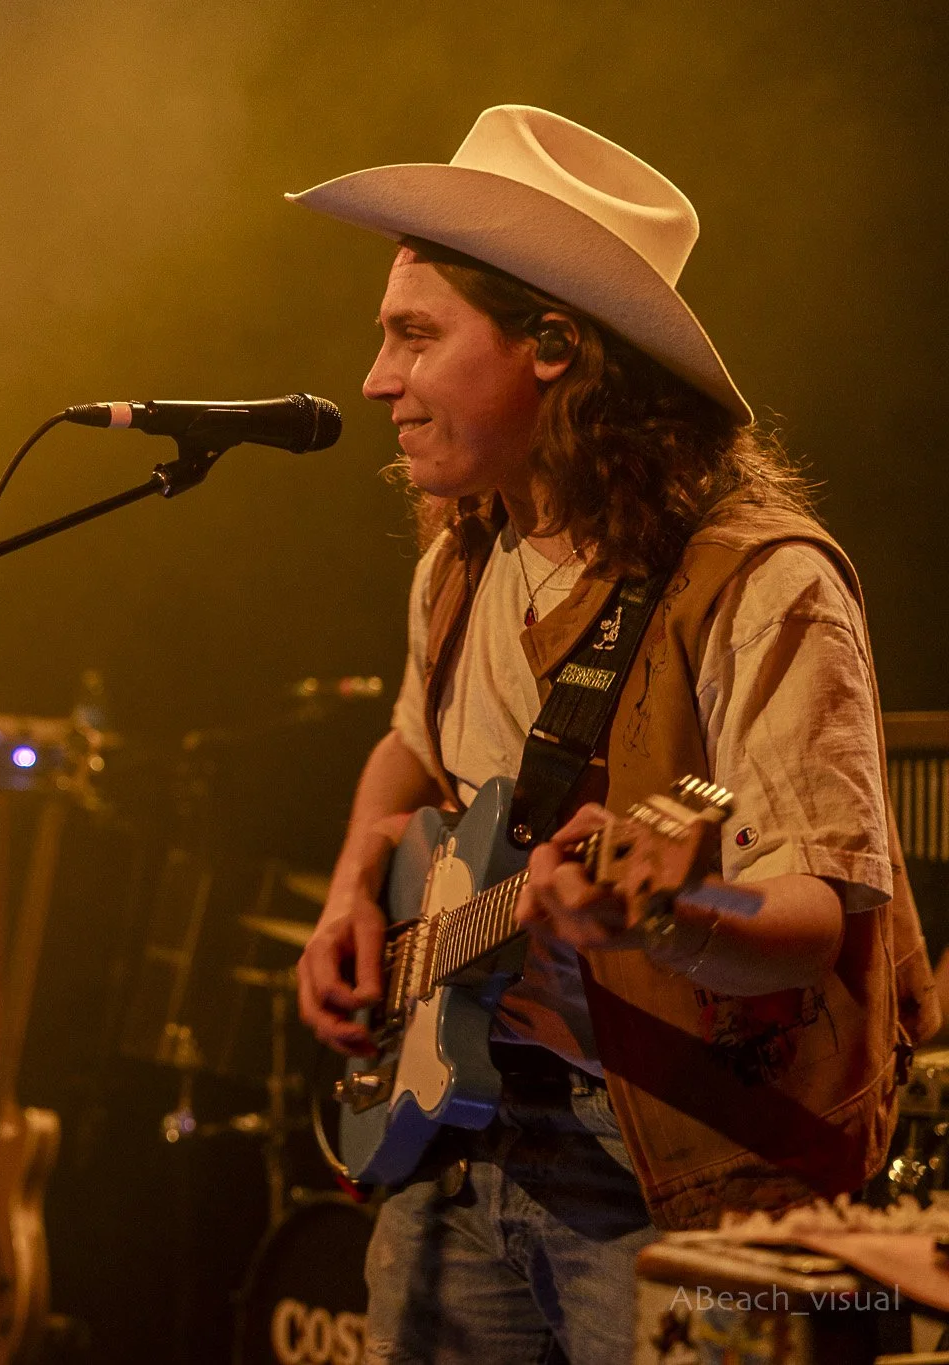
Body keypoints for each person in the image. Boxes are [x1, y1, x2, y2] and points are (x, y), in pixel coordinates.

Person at [289, 106, 936, 1365]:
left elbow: (817, 920)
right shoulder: (461, 553)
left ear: (550, 344)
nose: (375, 380)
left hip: (672, 1184)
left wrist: (662, 916)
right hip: (455, 1158)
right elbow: (410, 755)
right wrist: (346, 893)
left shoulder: (758, 581)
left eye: (413, 337)